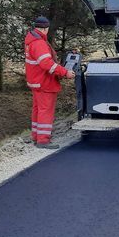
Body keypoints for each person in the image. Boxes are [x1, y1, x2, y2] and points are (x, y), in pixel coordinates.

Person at [25, 16, 75, 149]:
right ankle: (43, 140)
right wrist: (65, 72)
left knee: (38, 110)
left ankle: (36, 136)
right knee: (45, 111)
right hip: (44, 82)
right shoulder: (39, 43)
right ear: (46, 29)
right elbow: (47, 64)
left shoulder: (31, 40)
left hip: (36, 82)